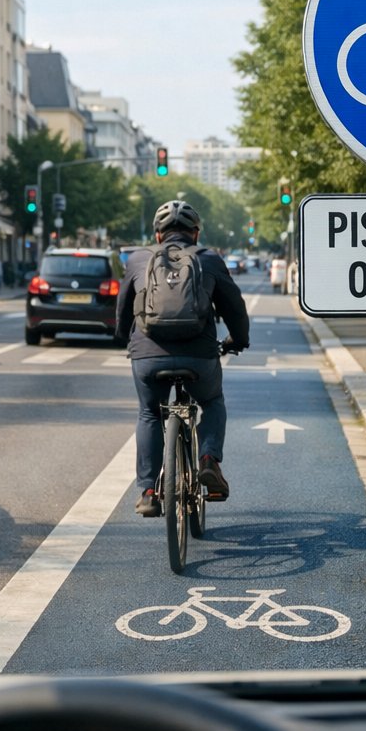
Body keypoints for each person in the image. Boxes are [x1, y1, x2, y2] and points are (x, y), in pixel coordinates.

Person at [115, 200, 250, 517]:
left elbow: (122, 308)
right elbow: (234, 308)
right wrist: (237, 340)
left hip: (148, 356)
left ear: (158, 236)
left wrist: (125, 339)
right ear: (196, 233)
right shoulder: (209, 260)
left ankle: (148, 491)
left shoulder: (138, 259)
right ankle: (208, 460)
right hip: (199, 356)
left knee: (149, 413)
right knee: (213, 401)